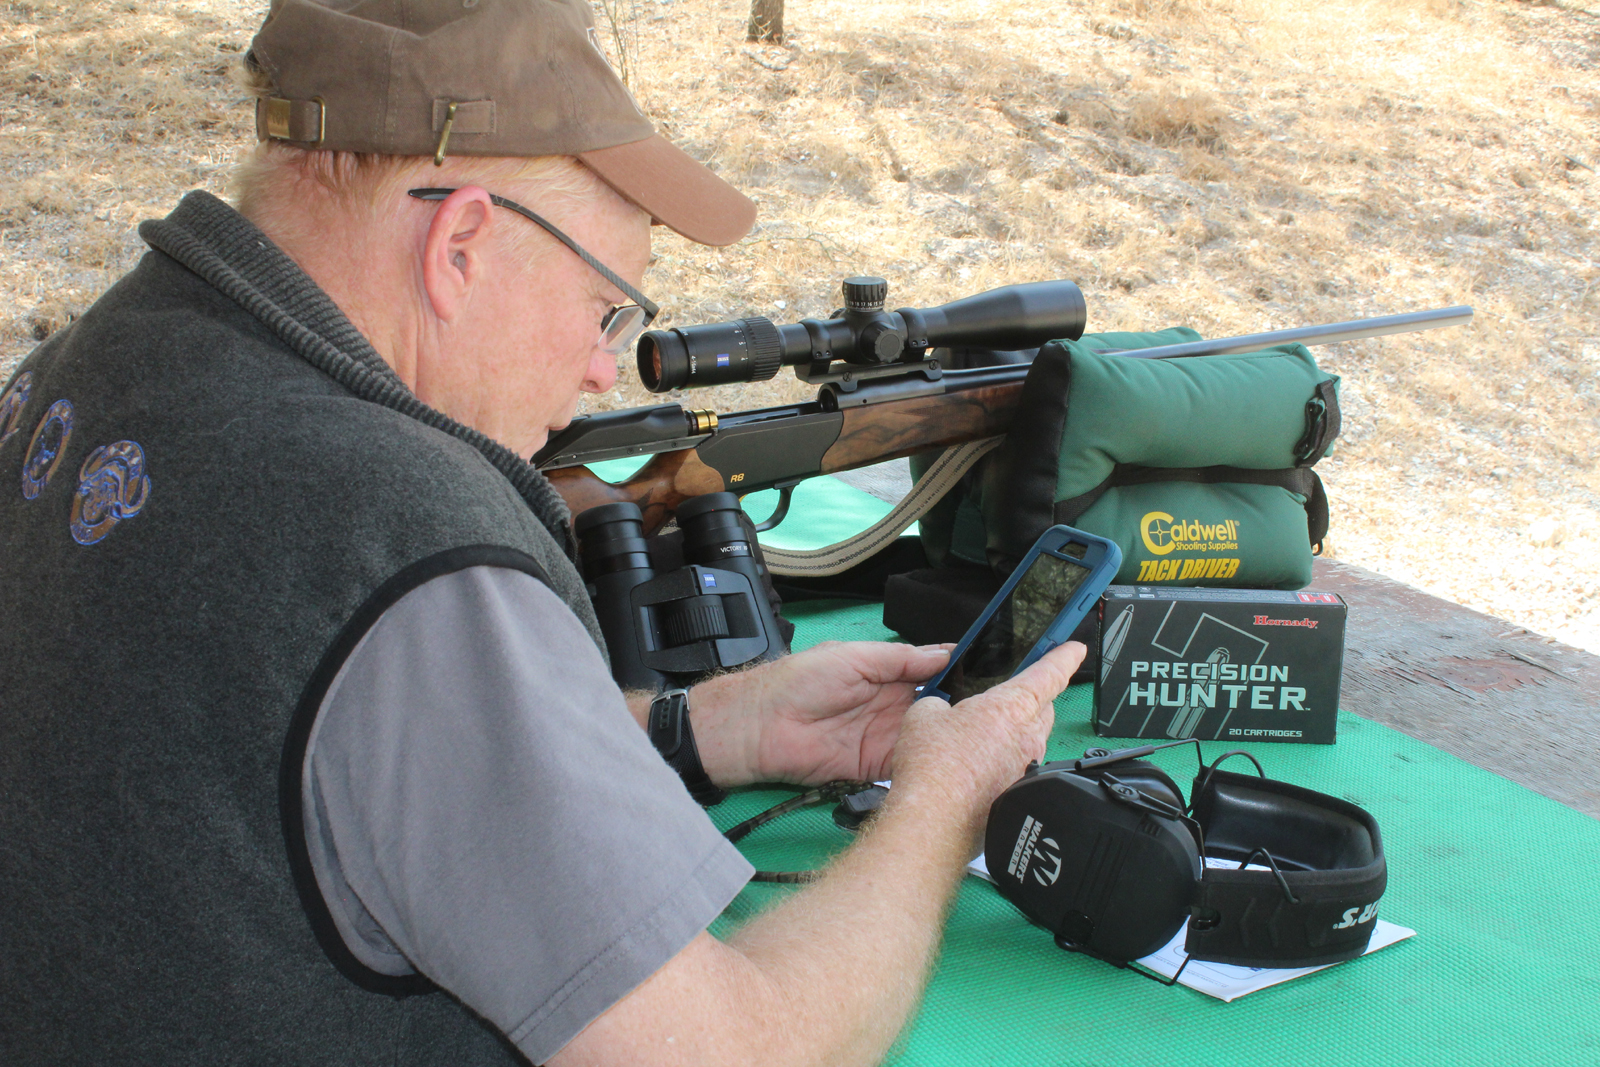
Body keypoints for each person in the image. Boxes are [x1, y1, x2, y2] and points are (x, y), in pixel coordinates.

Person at [0, 1, 1084, 1064]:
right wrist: (941, 802)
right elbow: (739, 1048)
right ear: (460, 243)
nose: (603, 368)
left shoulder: (89, 364)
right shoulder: (403, 534)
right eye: (608, 310)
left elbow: (297, 738)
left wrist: (695, 729)